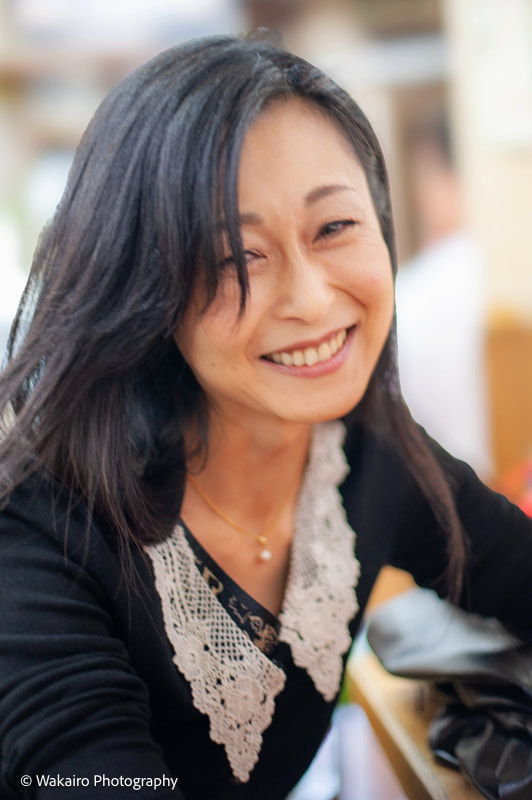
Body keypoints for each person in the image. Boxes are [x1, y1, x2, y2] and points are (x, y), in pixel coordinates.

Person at [0, 34, 530, 800]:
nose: (312, 300)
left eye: (334, 227)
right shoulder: (42, 529)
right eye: (236, 257)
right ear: (143, 287)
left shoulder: (365, 451)